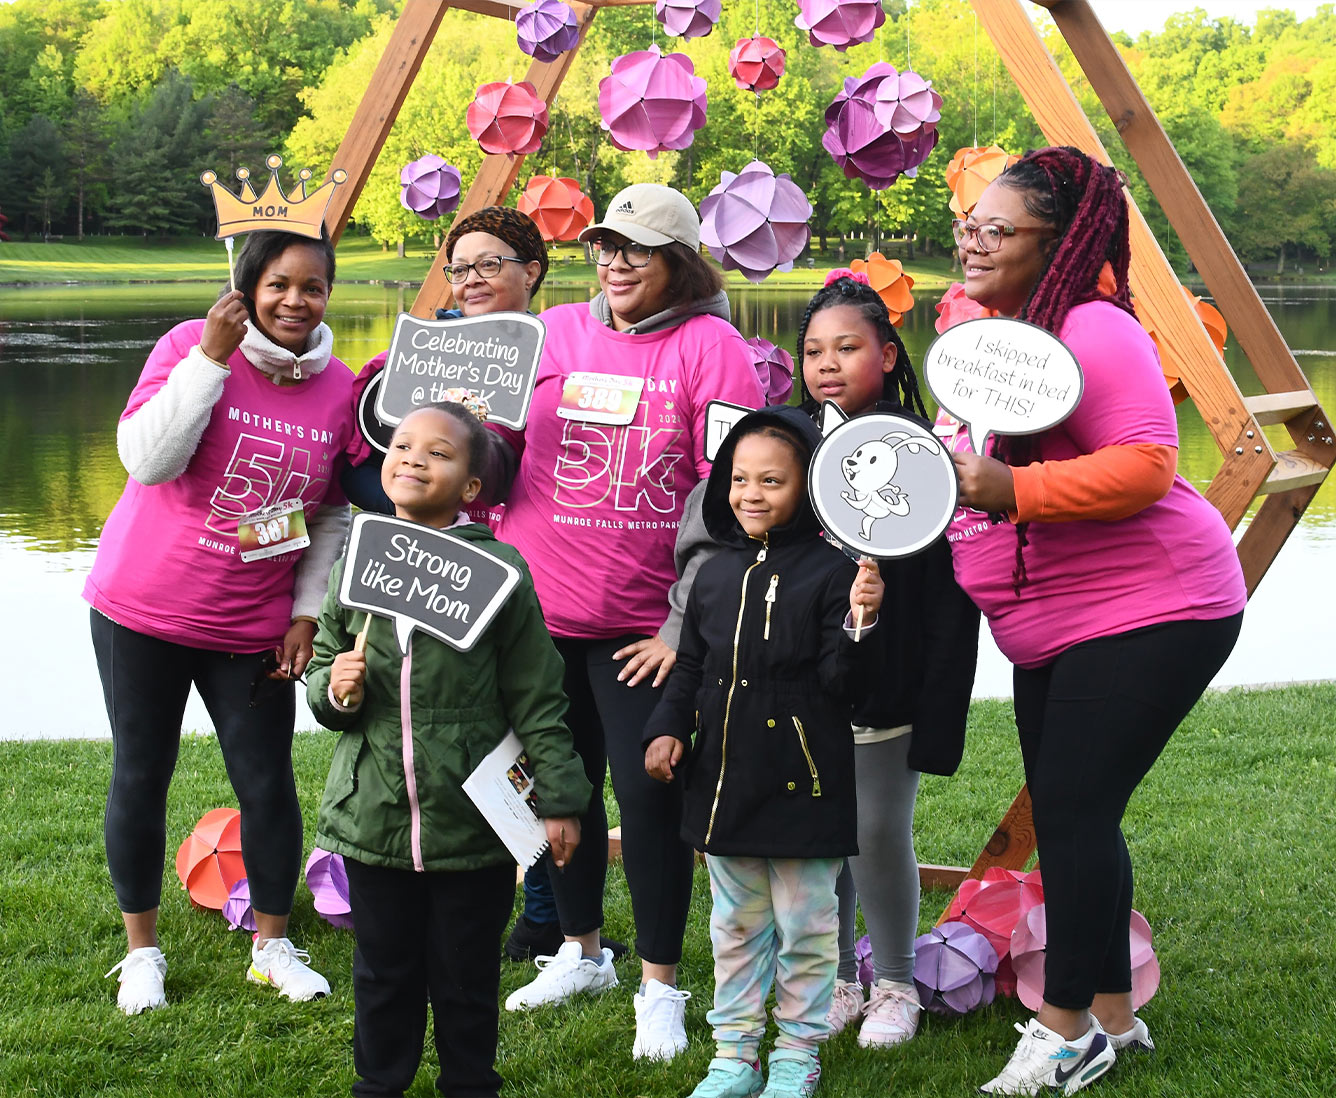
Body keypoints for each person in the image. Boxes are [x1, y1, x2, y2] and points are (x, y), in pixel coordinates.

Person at [946, 146, 1246, 1095]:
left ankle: (1065, 1029)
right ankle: (1115, 1016)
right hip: (1059, 624)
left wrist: (1014, 486)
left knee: (1072, 816)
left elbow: (1149, 463)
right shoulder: (1002, 333)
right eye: (969, 225)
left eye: (998, 230)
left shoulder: (1091, 327)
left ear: (1058, 239)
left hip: (1153, 607)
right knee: (1084, 817)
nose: (974, 243)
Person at [495, 184, 764, 1061]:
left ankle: (659, 985)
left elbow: (732, 508)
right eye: (605, 246)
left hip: (642, 633)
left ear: (677, 264)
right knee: (549, 795)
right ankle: (579, 951)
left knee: (648, 805)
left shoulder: (712, 347)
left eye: (636, 250)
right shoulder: (551, 333)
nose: (613, 262)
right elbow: (493, 454)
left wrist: (682, 631)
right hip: (535, 620)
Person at [340, 205, 627, 963]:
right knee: (457, 738)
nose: (470, 280)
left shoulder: (564, 344)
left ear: (531, 271)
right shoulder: (428, 350)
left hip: (534, 572)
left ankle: (545, 917)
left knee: (531, 739)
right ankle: (502, 901)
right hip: (436, 569)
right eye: (459, 266)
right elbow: (371, 454)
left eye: (488, 264)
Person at [87, 228, 356, 1014]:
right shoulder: (187, 344)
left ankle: (272, 945)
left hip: (253, 628)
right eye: (278, 284)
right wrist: (209, 358)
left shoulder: (340, 388)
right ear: (248, 286)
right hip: (144, 607)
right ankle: (142, 953)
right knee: (141, 774)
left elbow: (331, 513)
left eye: (312, 286)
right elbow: (148, 461)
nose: (295, 301)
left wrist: (307, 611)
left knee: (267, 783)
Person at [306, 403, 592, 1098]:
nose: (411, 458)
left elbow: (538, 694)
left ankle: (470, 1083)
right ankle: (380, 1084)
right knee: (382, 970)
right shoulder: (359, 557)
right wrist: (334, 689)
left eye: (437, 452)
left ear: (471, 486)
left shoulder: (498, 571)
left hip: (472, 820)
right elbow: (322, 672)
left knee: (466, 973)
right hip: (374, 816)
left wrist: (559, 798)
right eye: (402, 445)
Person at [643, 407, 883, 1098]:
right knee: (736, 927)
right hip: (724, 781)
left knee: (807, 931)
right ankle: (736, 1057)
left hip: (805, 782)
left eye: (772, 480)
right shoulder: (714, 575)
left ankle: (795, 1056)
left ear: (809, 487)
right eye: (740, 478)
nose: (751, 493)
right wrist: (665, 729)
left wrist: (862, 621)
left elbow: (848, 685)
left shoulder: (836, 574)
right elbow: (688, 666)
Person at [792, 272, 979, 1048]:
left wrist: (938, 707)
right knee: (817, 836)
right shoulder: (789, 444)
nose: (828, 363)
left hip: (889, 680)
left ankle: (896, 982)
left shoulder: (925, 453)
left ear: (890, 354)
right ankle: (838, 977)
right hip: (806, 679)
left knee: (874, 830)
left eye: (847, 347)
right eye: (812, 350)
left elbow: (949, 596)